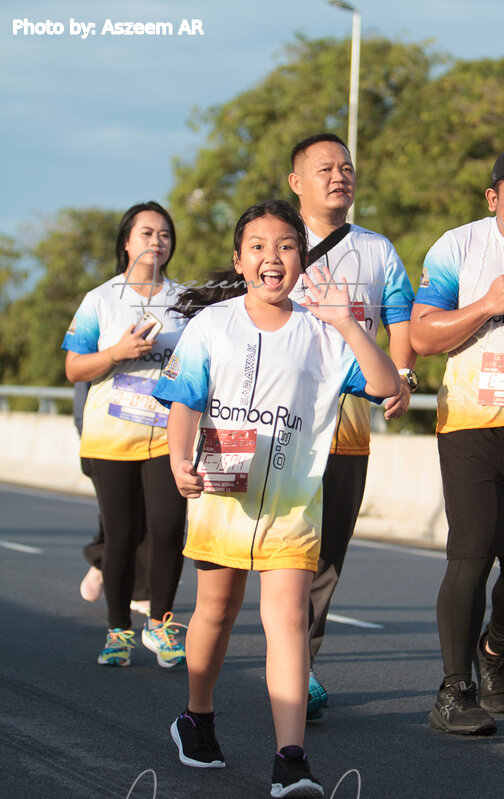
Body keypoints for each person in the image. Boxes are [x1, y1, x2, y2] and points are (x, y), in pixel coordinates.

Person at [152, 200, 400, 798]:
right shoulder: (213, 324)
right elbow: (185, 399)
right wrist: (179, 458)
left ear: (302, 259)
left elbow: (387, 384)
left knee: (288, 619)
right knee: (216, 610)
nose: (273, 257)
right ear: (239, 260)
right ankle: (197, 716)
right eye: (258, 247)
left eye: (287, 246)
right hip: (222, 489)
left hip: (293, 501)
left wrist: (348, 324)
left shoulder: (323, 333)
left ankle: (291, 759)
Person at [288, 133, 417, 715]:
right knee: (285, 548)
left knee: (328, 554)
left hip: (347, 428)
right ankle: (284, 653)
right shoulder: (277, 243)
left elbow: (400, 316)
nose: (340, 176)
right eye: (325, 169)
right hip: (283, 423)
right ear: (297, 182)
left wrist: (403, 375)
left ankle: (302, 664)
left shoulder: (376, 249)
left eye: (347, 167)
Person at [410, 143, 504, 735]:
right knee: (474, 550)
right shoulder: (458, 246)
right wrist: (487, 304)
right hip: (470, 425)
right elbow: (422, 335)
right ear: (493, 198)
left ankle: (494, 651)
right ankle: (455, 692)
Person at [63, 201, 188, 668]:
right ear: (126, 243)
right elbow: (75, 368)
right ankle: (118, 631)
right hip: (111, 436)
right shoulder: (100, 299)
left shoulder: (185, 300)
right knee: (121, 536)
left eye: (165, 234)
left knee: (168, 528)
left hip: (166, 434)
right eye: (147, 233)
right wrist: (117, 352)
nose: (157, 241)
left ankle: (161, 624)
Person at [76, 380, 151, 614]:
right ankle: (102, 560)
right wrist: (84, 428)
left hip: (153, 434)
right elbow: (81, 378)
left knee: (152, 515)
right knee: (120, 516)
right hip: (106, 438)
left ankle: (141, 591)